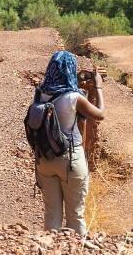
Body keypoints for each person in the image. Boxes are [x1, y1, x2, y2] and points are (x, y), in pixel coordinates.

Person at [36, 51, 105, 236]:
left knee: (51, 215)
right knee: (75, 216)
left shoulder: (40, 93)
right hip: (70, 160)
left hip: (45, 160)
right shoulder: (74, 97)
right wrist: (98, 87)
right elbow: (100, 114)